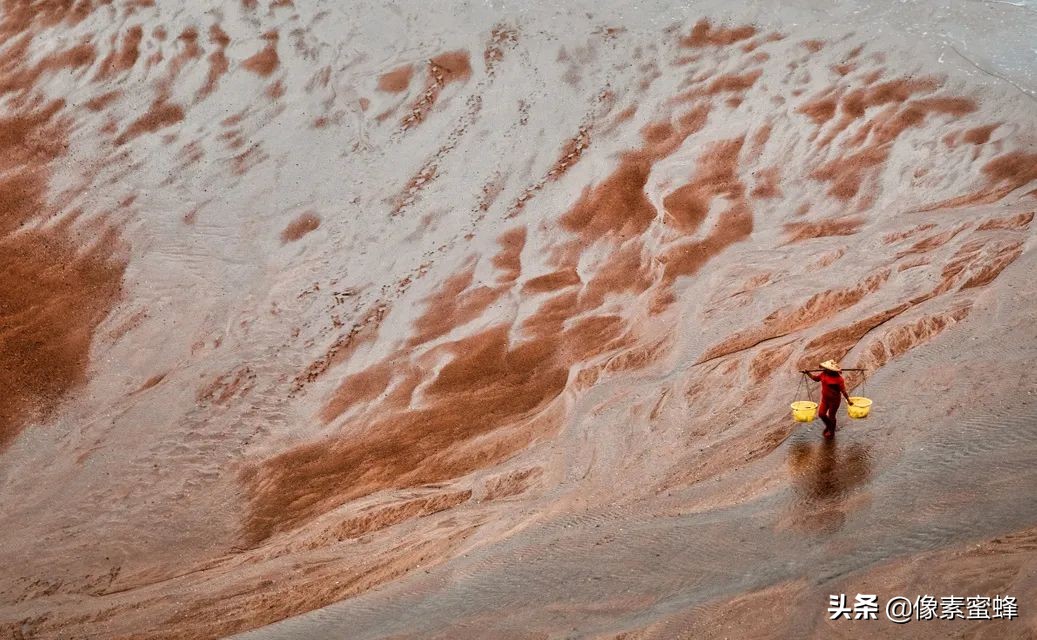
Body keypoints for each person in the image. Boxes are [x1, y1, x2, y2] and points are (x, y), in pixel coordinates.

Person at [803, 360, 854, 438]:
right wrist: (807, 373)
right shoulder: (824, 374)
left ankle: (831, 432)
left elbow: (843, 391)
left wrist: (849, 400)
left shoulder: (839, 379)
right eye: (825, 368)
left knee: (831, 416)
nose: (824, 369)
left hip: (834, 401)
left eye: (826, 368)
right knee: (821, 414)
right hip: (825, 399)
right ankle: (829, 426)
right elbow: (815, 378)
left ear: (832, 370)